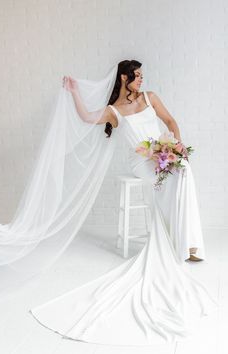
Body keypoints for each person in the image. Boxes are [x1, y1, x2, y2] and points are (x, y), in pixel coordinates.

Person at [29, 60, 217, 346]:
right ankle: (179, 242)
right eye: (136, 76)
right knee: (169, 176)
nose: (141, 80)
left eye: (142, 75)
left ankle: (187, 243)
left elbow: (170, 122)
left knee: (183, 170)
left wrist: (177, 145)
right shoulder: (114, 111)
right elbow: (86, 117)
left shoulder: (150, 98)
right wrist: (75, 91)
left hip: (163, 152)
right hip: (142, 161)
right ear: (124, 78)